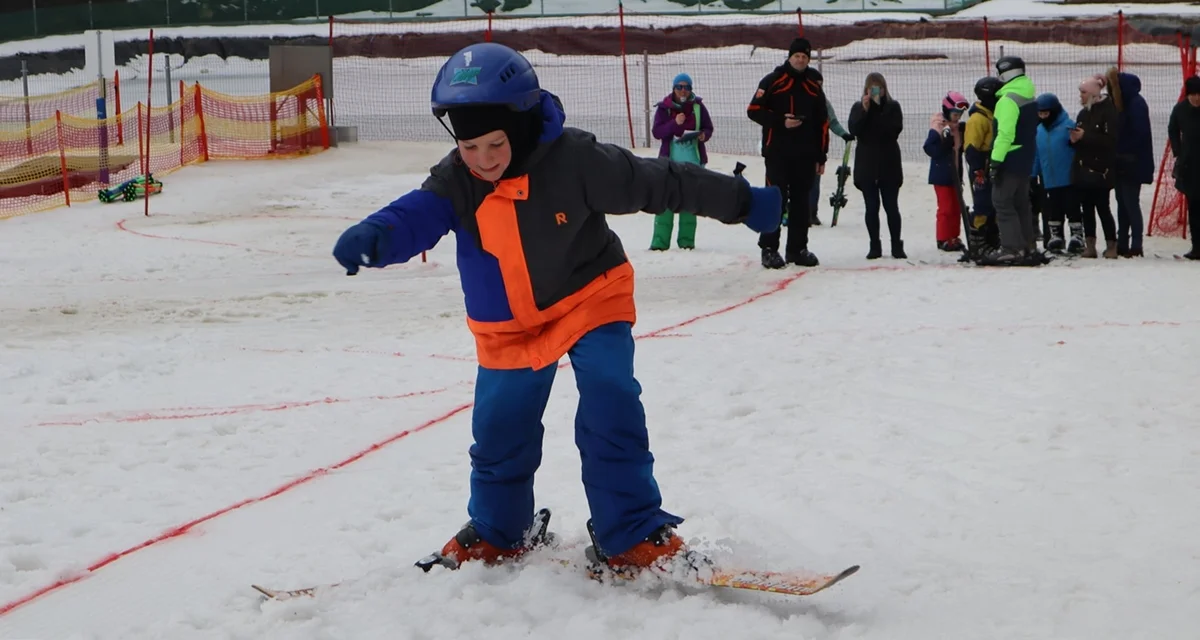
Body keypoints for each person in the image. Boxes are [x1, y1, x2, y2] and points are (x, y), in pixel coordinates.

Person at [331, 43, 782, 575]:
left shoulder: (576, 161)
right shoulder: (457, 180)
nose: (482, 159)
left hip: (590, 298)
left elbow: (658, 181)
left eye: (494, 143)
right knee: (501, 430)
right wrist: (377, 235)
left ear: (519, 127)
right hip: (508, 326)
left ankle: (631, 531)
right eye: (469, 146)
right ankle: (500, 531)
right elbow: (415, 214)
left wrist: (744, 201)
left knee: (611, 398)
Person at [747, 37, 829, 268]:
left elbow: (823, 122)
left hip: (805, 155)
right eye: (797, 56)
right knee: (775, 200)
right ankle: (769, 248)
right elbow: (753, 110)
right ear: (789, 57)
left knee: (802, 203)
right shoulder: (774, 80)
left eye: (804, 57)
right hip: (778, 152)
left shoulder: (814, 87)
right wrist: (779, 122)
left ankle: (797, 248)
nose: (800, 60)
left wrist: (821, 156)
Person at [982, 55, 1044, 266]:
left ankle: (1011, 248)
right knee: (1021, 204)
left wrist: (995, 161)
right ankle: (1027, 246)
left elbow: (1005, 135)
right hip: (1026, 157)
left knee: (1002, 202)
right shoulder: (1029, 95)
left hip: (1009, 158)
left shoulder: (1008, 100)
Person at [649, 72, 714, 251]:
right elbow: (657, 132)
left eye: (686, 87)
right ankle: (659, 243)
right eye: (679, 87)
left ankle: (686, 242)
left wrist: (703, 135)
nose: (683, 91)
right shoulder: (664, 108)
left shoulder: (699, 107)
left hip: (693, 164)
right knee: (665, 203)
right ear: (674, 88)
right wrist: (674, 124)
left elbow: (708, 127)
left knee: (689, 203)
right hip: (668, 165)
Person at [848, 72, 906, 260]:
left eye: (879, 88)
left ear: (884, 89)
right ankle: (875, 245)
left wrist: (878, 111)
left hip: (889, 164)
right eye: (872, 88)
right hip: (867, 165)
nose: (876, 92)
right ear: (866, 90)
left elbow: (893, 131)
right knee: (871, 207)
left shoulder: (892, 107)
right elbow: (855, 130)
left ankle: (896, 244)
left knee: (891, 206)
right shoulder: (858, 108)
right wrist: (865, 111)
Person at [1104, 67, 1155, 257]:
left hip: (1132, 162)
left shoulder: (1135, 104)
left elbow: (1139, 134)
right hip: (1123, 161)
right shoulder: (1125, 103)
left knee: (1130, 202)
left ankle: (1136, 244)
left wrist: (1120, 148)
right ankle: (1123, 242)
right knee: (1122, 202)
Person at [1070, 75, 1119, 259]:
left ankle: (1111, 245)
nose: (1080, 96)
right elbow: (1081, 138)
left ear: (1092, 94)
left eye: (1083, 93)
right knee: (1087, 209)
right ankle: (1090, 245)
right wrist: (1074, 140)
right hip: (1083, 169)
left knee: (1103, 208)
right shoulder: (1083, 113)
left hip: (1101, 170)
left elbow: (1110, 141)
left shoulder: (1108, 111)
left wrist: (1085, 137)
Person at [1032, 93, 1083, 253]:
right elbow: (1036, 155)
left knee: (1072, 207)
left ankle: (1077, 236)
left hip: (1069, 178)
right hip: (1049, 179)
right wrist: (1033, 175)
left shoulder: (1067, 126)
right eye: (1040, 114)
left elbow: (1078, 149)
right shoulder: (1039, 131)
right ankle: (1056, 236)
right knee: (1053, 209)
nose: (1043, 117)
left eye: (1046, 114)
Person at [807, 68, 854, 227]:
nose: (818, 88)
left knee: (814, 183)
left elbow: (832, 122)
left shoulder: (824, 103)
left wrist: (844, 134)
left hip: (818, 150)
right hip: (798, 150)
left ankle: (812, 212)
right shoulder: (799, 100)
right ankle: (796, 212)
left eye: (820, 85)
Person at [963, 76, 1002, 260]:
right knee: (983, 204)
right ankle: (978, 243)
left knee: (994, 204)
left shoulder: (991, 114)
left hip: (991, 164)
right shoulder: (978, 119)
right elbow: (971, 148)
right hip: (981, 168)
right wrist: (979, 170)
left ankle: (992, 238)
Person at [924, 91, 968, 252]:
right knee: (946, 208)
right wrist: (944, 145)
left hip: (955, 174)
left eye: (959, 114)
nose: (957, 117)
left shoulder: (957, 128)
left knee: (957, 207)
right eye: (955, 113)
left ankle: (954, 236)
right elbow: (929, 148)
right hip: (941, 175)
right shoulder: (938, 127)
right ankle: (943, 237)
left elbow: (960, 149)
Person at [1167, 75, 1200, 260]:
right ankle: (1197, 247)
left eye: (1199, 94)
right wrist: (1178, 151)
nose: (1196, 98)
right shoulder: (1180, 110)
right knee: (1194, 208)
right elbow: (1172, 129)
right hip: (1190, 166)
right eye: (1193, 94)